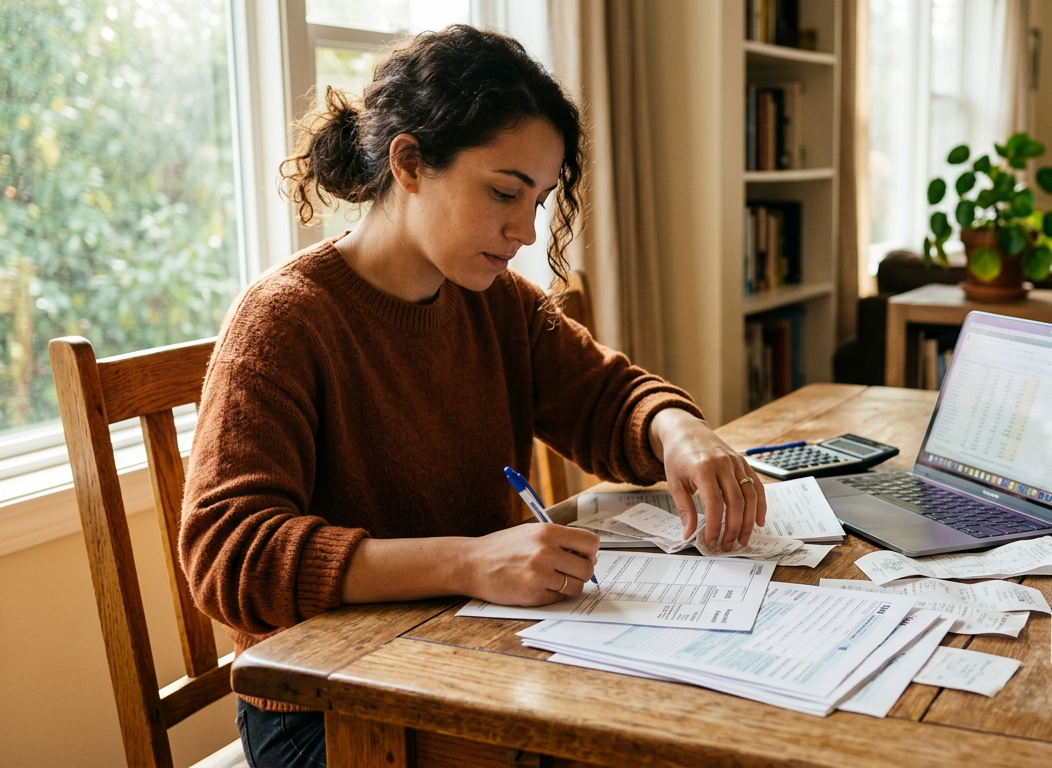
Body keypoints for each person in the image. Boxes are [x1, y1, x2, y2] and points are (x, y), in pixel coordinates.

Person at [178, 25, 767, 768]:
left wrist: (678, 429)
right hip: (329, 708)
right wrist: (466, 563)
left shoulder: (498, 304)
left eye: (540, 201)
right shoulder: (286, 318)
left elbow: (607, 399)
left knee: (694, 722)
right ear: (411, 162)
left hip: (472, 654)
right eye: (503, 193)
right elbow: (227, 556)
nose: (524, 230)